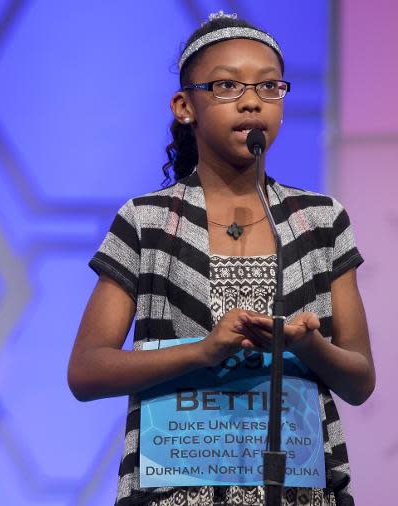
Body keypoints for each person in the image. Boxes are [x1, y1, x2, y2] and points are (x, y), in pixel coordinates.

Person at [67, 12, 375, 506]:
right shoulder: (147, 221)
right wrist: (203, 352)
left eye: (269, 86)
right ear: (184, 106)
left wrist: (310, 346)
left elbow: (360, 380)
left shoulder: (319, 220)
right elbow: (86, 371)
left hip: (296, 489)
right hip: (174, 491)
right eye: (227, 85)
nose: (252, 100)